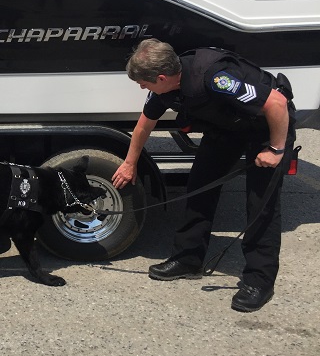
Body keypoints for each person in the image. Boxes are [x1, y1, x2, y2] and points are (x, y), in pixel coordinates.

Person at [112, 38, 295, 312]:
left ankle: (259, 281)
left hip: (266, 128)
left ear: (162, 77)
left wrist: (276, 149)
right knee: (199, 189)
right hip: (227, 128)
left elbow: (277, 104)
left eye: (144, 83)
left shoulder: (216, 79)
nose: (141, 87)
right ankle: (188, 259)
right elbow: (143, 125)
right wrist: (129, 163)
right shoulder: (165, 90)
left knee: (261, 205)